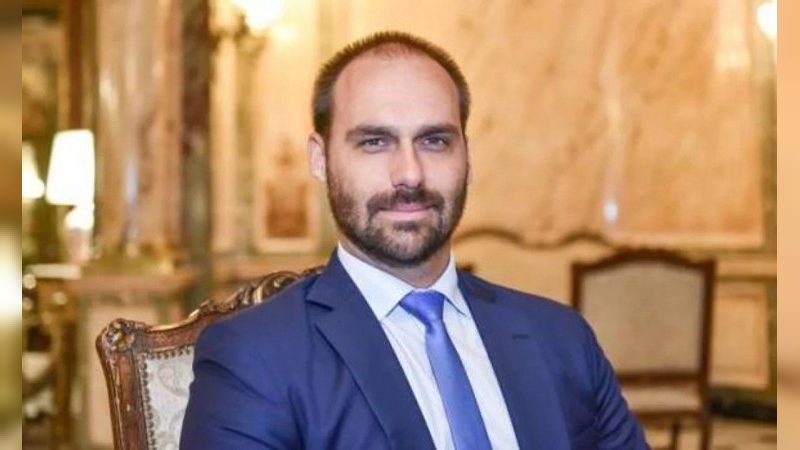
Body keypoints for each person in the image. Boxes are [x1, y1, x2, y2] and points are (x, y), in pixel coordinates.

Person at [181, 31, 648, 450]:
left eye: (434, 141)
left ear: (467, 157)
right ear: (320, 159)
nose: (410, 174)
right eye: (375, 142)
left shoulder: (562, 339)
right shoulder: (254, 356)